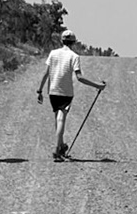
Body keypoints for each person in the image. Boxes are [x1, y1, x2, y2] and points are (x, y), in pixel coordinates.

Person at [35, 30, 105, 161]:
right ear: (74, 42)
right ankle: (57, 149)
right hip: (66, 92)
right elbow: (79, 77)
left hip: (52, 91)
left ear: (61, 41)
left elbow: (46, 73)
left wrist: (39, 90)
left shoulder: (53, 53)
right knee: (61, 119)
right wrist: (97, 85)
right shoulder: (74, 56)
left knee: (57, 118)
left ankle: (61, 145)